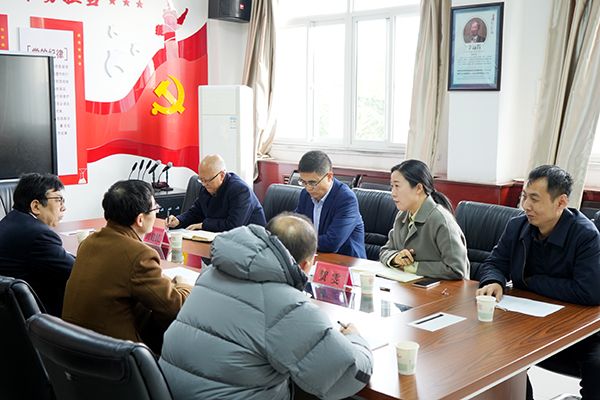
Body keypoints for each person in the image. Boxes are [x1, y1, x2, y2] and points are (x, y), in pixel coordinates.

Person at [159, 212, 373, 400]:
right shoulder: (288, 305)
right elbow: (346, 374)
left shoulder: (209, 274)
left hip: (172, 392)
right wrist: (356, 339)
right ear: (307, 265)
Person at [476, 165, 600, 399]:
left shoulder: (585, 235)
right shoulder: (517, 226)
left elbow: (589, 292)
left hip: (579, 333)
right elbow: (494, 262)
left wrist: (529, 281)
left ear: (561, 202)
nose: (526, 206)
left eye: (534, 199)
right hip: (526, 324)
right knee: (491, 352)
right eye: (524, 196)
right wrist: (494, 280)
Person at [62, 180, 192, 353]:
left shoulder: (88, 242)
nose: (157, 214)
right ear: (140, 219)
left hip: (75, 348)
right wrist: (183, 284)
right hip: (114, 355)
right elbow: (175, 306)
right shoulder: (139, 254)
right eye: (155, 209)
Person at [379, 160, 469, 280]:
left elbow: (457, 269)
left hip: (444, 289)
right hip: (411, 287)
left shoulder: (441, 220)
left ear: (418, 188)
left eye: (397, 186)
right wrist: (396, 258)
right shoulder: (402, 216)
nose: (393, 193)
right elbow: (385, 250)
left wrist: (411, 267)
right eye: (392, 186)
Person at [0, 173, 74, 316]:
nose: (63, 207)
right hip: (43, 317)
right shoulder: (39, 235)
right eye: (59, 200)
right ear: (35, 206)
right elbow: (77, 272)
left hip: (11, 318)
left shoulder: (11, 220)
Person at [294, 150, 366, 258]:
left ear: (329, 176)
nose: (308, 188)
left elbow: (332, 243)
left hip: (346, 262)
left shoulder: (346, 199)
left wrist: (298, 240)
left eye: (313, 183)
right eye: (303, 182)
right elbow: (296, 225)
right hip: (316, 257)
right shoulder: (305, 195)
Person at [166, 154, 266, 231]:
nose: (204, 184)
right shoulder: (206, 186)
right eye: (201, 180)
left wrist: (203, 225)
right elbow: (196, 212)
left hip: (251, 241)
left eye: (207, 180)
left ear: (222, 175)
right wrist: (179, 220)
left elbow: (234, 225)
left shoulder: (240, 190)